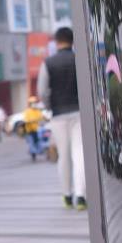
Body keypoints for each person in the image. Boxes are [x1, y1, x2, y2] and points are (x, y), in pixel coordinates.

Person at [38, 26, 86, 205]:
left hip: (58, 114)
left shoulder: (48, 63)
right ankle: (81, 196)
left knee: (63, 155)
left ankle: (66, 195)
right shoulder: (79, 59)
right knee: (79, 153)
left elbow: (42, 91)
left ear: (56, 42)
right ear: (72, 41)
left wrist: (50, 106)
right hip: (79, 113)